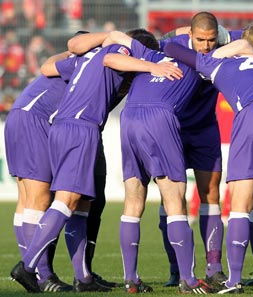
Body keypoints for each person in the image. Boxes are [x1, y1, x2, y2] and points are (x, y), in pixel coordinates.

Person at [9, 28, 176, 293]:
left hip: (63, 126)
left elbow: (62, 57)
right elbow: (111, 58)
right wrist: (151, 66)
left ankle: (83, 277)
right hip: (79, 127)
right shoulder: (115, 52)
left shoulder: (86, 57)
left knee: (81, 202)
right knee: (65, 200)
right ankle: (29, 268)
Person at [164, 38, 253, 294]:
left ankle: (234, 281)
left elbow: (172, 49)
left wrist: (213, 55)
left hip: (252, 114)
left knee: (240, 205)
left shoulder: (217, 66)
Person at [100, 30, 217, 294]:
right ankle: (187, 279)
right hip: (159, 117)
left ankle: (131, 279)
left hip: (128, 118)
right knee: (175, 199)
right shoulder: (197, 60)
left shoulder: (148, 54)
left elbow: (118, 37)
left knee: (132, 201)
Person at [158, 12, 228, 288]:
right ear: (190, 35)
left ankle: (215, 267)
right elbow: (153, 43)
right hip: (172, 129)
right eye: (200, 39)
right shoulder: (173, 49)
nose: (206, 45)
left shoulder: (223, 48)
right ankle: (177, 269)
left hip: (205, 130)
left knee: (211, 194)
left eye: (211, 40)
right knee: (172, 199)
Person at [4, 50, 78, 292]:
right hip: (33, 121)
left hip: (18, 115)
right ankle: (43, 275)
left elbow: (47, 65)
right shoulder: (81, 64)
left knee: (26, 199)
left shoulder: (61, 63)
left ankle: (36, 272)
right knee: (40, 198)